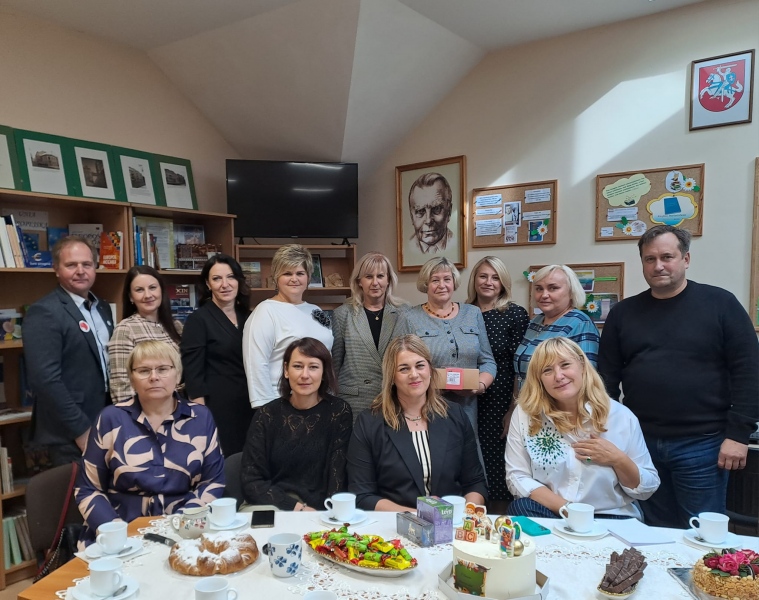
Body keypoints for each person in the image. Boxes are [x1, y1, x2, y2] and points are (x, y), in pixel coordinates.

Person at [598, 225, 759, 528]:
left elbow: (749, 372)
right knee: (650, 530)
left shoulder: (721, 304)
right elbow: (606, 379)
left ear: (686, 259)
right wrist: (609, 431)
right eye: (650, 259)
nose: (658, 266)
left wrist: (738, 435)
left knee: (699, 533)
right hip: (640, 442)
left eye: (667, 257)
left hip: (703, 444)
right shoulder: (623, 313)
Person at [75, 340, 225, 545]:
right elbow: (88, 488)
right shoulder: (110, 419)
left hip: (185, 526)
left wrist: (182, 524)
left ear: (178, 375)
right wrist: (116, 530)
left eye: (163, 369)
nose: (154, 377)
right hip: (120, 528)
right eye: (144, 371)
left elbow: (213, 481)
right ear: (132, 379)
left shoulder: (200, 417)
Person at [506, 337, 659, 519]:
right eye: (547, 370)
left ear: (583, 366)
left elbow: (647, 489)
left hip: (608, 515)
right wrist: (569, 511)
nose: (558, 376)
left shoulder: (621, 416)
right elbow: (517, 476)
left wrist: (618, 459)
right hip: (555, 512)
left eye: (565, 365)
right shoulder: (526, 415)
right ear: (539, 380)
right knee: (520, 507)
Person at [348, 335, 487, 511]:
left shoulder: (455, 415)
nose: (414, 374)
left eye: (420, 365)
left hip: (452, 521)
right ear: (392, 377)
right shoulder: (369, 423)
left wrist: (466, 512)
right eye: (404, 369)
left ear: (430, 370)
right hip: (395, 523)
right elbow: (362, 495)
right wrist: (422, 516)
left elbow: (475, 482)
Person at [24, 236, 114, 465]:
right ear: (56, 269)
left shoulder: (102, 307)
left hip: (105, 420)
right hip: (70, 433)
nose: (80, 271)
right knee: (76, 489)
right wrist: (81, 430)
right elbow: (45, 380)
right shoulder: (44, 312)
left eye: (87, 264)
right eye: (71, 265)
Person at [241, 338, 352, 511]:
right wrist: (297, 508)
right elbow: (251, 481)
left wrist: (329, 513)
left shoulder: (338, 412)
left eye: (313, 367)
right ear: (286, 370)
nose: (305, 375)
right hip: (271, 503)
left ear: (324, 372)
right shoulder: (266, 415)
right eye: (298, 366)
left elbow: (337, 476)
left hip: (319, 509)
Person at [399, 257, 496, 434]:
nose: (442, 285)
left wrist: (479, 385)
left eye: (447, 279)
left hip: (467, 410)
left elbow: (488, 361)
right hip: (426, 408)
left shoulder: (472, 313)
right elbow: (400, 366)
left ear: (454, 282)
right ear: (426, 284)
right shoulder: (409, 317)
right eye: (435, 280)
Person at [466, 256, 529, 503]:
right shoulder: (463, 312)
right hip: (466, 399)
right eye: (483, 276)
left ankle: (497, 514)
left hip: (501, 400)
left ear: (503, 283)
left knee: (498, 460)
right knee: (469, 456)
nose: (488, 282)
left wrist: (513, 408)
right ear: (474, 279)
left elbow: (521, 366)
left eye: (495, 278)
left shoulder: (514, 314)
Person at [242, 244, 333, 408]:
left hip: (319, 402)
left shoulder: (315, 310)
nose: (294, 279)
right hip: (281, 403)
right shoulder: (265, 312)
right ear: (276, 278)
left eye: (300, 273)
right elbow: (256, 364)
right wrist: (266, 409)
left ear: (308, 277)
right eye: (287, 273)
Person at [181, 254, 254, 456]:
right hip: (217, 409)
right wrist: (201, 418)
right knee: (225, 464)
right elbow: (193, 376)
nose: (225, 284)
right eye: (217, 279)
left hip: (250, 405)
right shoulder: (198, 320)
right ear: (208, 284)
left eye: (230, 277)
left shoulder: (249, 317)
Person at [331, 252, 408, 421]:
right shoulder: (343, 314)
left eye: (380, 276)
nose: (375, 282)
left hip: (392, 399)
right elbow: (334, 366)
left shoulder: (403, 313)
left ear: (388, 280)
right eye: (368, 277)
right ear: (359, 281)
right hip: (353, 402)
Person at [513, 264, 599, 389]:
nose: (544, 295)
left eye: (553, 288)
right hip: (527, 399)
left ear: (571, 292)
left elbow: (587, 377)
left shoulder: (580, 323)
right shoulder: (535, 322)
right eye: (539, 289)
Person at [108, 265, 181, 404]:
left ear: (162, 291)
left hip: (177, 405)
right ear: (131, 297)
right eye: (139, 290)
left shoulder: (177, 326)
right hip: (145, 410)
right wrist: (132, 415)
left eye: (152, 287)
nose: (147, 295)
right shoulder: (125, 329)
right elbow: (121, 385)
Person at [408, 172, 454, 253]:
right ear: (412, 216)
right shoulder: (409, 245)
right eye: (420, 211)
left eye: (436, 209)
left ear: (449, 212)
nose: (428, 220)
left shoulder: (454, 242)